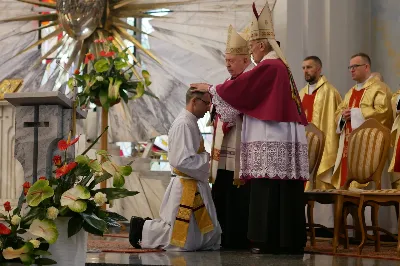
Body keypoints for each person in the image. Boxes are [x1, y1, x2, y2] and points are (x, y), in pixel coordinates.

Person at [191, 1, 309, 254]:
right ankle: (283, 239)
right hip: (278, 133)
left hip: (273, 135)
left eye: (252, 46)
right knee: (280, 189)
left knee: (271, 187)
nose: (252, 51)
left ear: (261, 44)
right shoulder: (278, 65)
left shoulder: (270, 65)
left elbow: (243, 89)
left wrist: (210, 89)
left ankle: (271, 240)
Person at [129, 88, 221, 251]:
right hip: (185, 186)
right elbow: (180, 161)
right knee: (183, 237)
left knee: (197, 234)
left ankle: (145, 228)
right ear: (194, 101)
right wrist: (207, 159)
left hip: (191, 182)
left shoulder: (190, 121)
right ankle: (141, 229)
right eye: (206, 103)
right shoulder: (183, 124)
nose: (209, 108)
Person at [210, 25, 253, 249]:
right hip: (226, 144)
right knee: (223, 187)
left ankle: (237, 238)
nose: (227, 64)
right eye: (226, 60)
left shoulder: (249, 79)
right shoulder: (229, 82)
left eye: (232, 60)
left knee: (237, 192)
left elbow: (240, 108)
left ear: (245, 60)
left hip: (242, 144)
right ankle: (222, 235)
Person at [333, 53, 392, 189]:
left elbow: (383, 112)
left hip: (370, 149)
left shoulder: (380, 88)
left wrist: (354, 113)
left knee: (364, 192)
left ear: (366, 67)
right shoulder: (350, 92)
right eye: (350, 67)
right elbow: (338, 113)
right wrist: (343, 116)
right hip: (348, 147)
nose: (352, 70)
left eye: (355, 66)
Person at [300, 56, 342, 190]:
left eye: (309, 67)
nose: (305, 71)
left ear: (318, 69)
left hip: (323, 150)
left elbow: (335, 123)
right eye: (303, 68)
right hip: (303, 148)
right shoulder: (300, 93)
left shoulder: (330, 92)